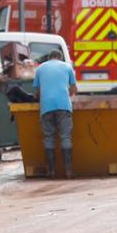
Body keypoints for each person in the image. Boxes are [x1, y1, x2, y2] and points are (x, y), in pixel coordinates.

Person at [33, 48, 77, 178]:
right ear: (60, 57)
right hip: (63, 106)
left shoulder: (40, 68)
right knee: (65, 137)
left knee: (48, 137)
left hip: (46, 106)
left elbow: (37, 92)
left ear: (49, 58)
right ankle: (68, 172)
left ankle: (51, 172)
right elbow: (74, 89)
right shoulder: (67, 67)